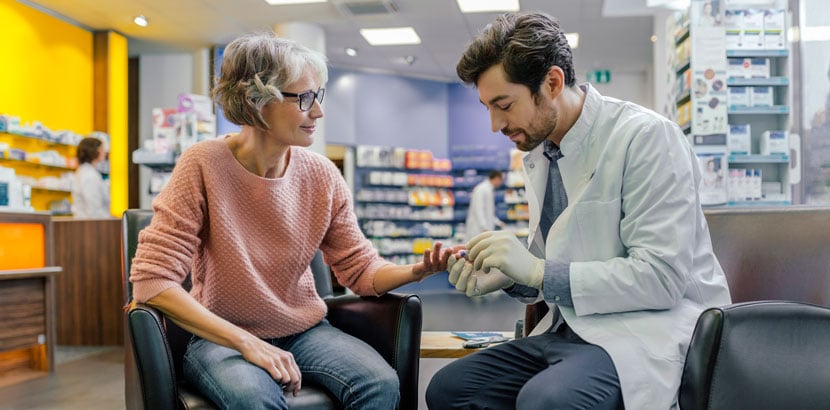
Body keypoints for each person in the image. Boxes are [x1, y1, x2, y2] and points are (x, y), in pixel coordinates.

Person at [128, 32, 451, 410]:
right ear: (256, 99)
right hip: (222, 339)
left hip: (305, 331)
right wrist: (247, 342)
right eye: (305, 99)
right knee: (253, 399)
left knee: (380, 384)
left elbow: (360, 270)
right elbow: (151, 282)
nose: (319, 112)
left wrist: (416, 270)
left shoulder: (322, 174)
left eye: (319, 96)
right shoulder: (202, 164)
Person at [427, 11, 731, 410]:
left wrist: (536, 271)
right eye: (487, 107)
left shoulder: (646, 138)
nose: (494, 124)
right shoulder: (540, 152)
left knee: (547, 401)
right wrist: (508, 278)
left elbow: (660, 278)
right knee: (450, 390)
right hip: (571, 329)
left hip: (644, 330)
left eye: (503, 104)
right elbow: (565, 259)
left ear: (552, 83)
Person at [72, 136, 110, 217]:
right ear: (93, 151)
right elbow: (94, 209)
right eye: (102, 149)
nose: (104, 152)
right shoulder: (89, 175)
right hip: (92, 225)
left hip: (87, 223)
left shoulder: (85, 171)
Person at [464, 170, 506, 239]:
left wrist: (498, 222)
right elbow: (478, 209)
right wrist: (483, 226)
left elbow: (489, 211)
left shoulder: (489, 189)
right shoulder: (481, 189)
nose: (500, 183)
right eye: (500, 180)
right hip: (477, 229)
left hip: (485, 229)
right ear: (496, 178)